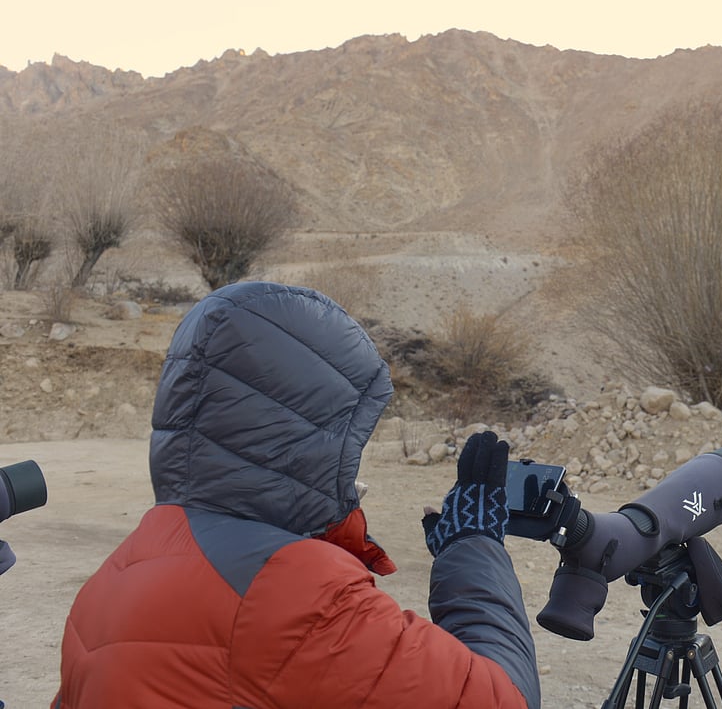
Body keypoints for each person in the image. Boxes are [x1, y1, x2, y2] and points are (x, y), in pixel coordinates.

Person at [53, 281, 539, 708]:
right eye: (350, 438)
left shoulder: (117, 574)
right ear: (303, 437)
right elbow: (503, 699)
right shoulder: (293, 593)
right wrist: (474, 544)